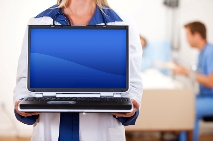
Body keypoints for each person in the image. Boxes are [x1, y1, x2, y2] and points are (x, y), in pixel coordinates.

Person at [13, 0, 143, 141]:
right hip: (51, 130)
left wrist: (130, 105)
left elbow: (133, 83)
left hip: (101, 133)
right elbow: (25, 80)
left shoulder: (123, 23)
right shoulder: (39, 22)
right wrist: (22, 102)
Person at [171, 21, 213, 141]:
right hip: (204, 96)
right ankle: (182, 137)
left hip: (210, 98)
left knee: (189, 108)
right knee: (182, 102)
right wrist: (183, 71)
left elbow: (211, 82)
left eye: (187, 35)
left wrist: (187, 72)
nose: (186, 40)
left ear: (197, 35)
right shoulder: (202, 53)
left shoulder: (210, 52)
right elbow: (200, 76)